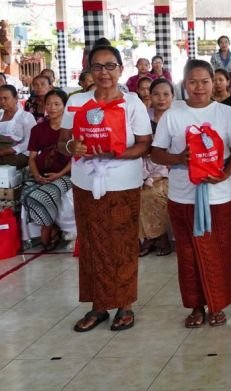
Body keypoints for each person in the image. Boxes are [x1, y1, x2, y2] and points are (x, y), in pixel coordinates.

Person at [58, 44, 152, 332]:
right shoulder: (76, 102)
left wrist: (118, 154)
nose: (104, 73)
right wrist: (74, 146)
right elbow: (62, 143)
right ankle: (98, 306)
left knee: (122, 243)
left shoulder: (132, 102)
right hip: (85, 183)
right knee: (92, 243)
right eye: (97, 67)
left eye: (110, 66)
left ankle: (125, 305)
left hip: (122, 182)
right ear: (89, 71)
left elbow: (144, 143)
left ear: (121, 70)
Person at [151, 60, 231, 328]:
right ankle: (195, 307)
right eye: (193, 81)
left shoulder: (226, 113)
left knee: (218, 251)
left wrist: (225, 175)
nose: (199, 87)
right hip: (183, 195)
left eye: (205, 81)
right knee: (188, 254)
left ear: (214, 82)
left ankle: (217, 306)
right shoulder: (173, 114)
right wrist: (179, 157)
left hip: (219, 195)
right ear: (184, 84)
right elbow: (156, 152)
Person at [21, 89, 72, 252]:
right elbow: (32, 158)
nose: (52, 108)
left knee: (42, 196)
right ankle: (52, 227)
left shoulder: (72, 128)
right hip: (41, 173)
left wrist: (59, 174)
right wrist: (36, 175)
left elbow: (76, 160)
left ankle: (47, 229)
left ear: (65, 106)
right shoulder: (38, 129)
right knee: (26, 195)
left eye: (57, 104)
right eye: (48, 104)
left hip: (66, 174)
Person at [138, 78, 174, 258]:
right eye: (156, 94)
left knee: (151, 193)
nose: (161, 98)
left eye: (166, 94)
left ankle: (157, 238)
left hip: (172, 168)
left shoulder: (178, 116)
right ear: (150, 96)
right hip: (146, 166)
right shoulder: (142, 117)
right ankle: (155, 237)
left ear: (173, 97)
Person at [0, 85, 36, 168]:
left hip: (19, 154)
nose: (2, 101)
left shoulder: (26, 117)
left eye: (6, 98)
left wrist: (9, 150)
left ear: (16, 98)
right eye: (0, 98)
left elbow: (30, 141)